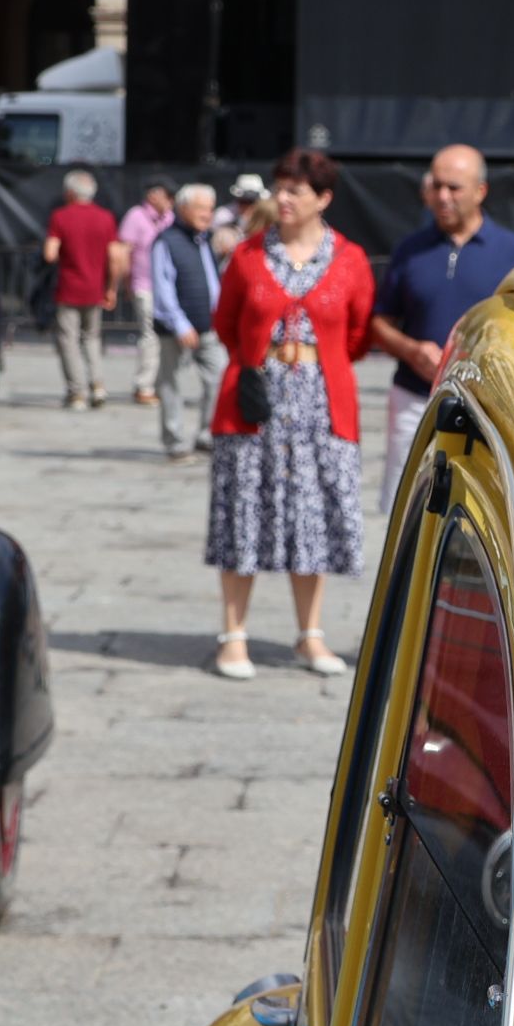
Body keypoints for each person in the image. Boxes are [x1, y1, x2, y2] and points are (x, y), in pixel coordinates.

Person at [204, 149, 375, 680]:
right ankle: (233, 635)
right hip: (255, 402)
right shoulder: (249, 256)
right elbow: (226, 323)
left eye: (294, 190)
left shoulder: (350, 260)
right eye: (280, 187)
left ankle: (310, 634)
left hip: (321, 406)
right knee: (243, 515)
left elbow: (358, 335)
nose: (282, 198)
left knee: (314, 518)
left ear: (322, 198)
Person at [370, 144, 514, 509]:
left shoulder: (513, 253)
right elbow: (380, 323)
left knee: (479, 509)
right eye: (436, 186)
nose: (443, 197)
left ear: (480, 191)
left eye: (454, 188)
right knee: (406, 506)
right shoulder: (410, 250)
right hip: (415, 399)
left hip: (487, 405)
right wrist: (411, 350)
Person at [151, 184, 224, 463]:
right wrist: (180, 323)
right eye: (202, 208)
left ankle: (206, 434)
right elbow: (163, 288)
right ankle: (175, 441)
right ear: (183, 209)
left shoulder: (204, 239)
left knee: (218, 376)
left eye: (210, 208)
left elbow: (212, 281)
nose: (208, 214)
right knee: (171, 383)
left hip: (208, 326)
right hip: (176, 329)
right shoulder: (166, 241)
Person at [42, 169, 124, 409]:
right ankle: (98, 386)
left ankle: (76, 392)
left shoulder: (60, 216)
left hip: (68, 288)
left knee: (68, 341)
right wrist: (111, 288)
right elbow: (115, 257)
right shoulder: (106, 217)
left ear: (70, 192)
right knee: (92, 339)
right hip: (95, 289)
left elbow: (50, 254)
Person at [120, 180, 176, 404]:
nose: (170, 201)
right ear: (153, 195)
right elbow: (124, 251)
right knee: (150, 336)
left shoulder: (171, 218)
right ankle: (144, 385)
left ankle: (161, 383)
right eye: (167, 195)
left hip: (168, 288)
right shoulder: (136, 216)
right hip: (144, 285)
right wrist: (126, 283)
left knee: (168, 338)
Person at [213, 172, 268, 263]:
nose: (248, 206)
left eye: (252, 201)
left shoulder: (265, 218)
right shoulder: (223, 216)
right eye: (244, 201)